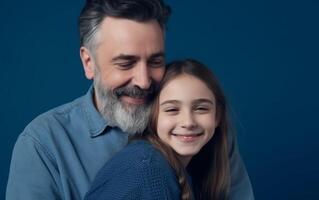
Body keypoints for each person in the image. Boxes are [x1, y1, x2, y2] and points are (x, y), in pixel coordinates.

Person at [6, 0, 254, 200]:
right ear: (88, 62)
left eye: (156, 61)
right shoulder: (43, 144)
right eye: (126, 63)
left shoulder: (197, 130)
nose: (144, 81)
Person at [84, 59, 233, 200]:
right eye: (172, 109)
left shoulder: (191, 170)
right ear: (152, 116)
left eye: (201, 108)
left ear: (217, 116)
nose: (188, 122)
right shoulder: (148, 168)